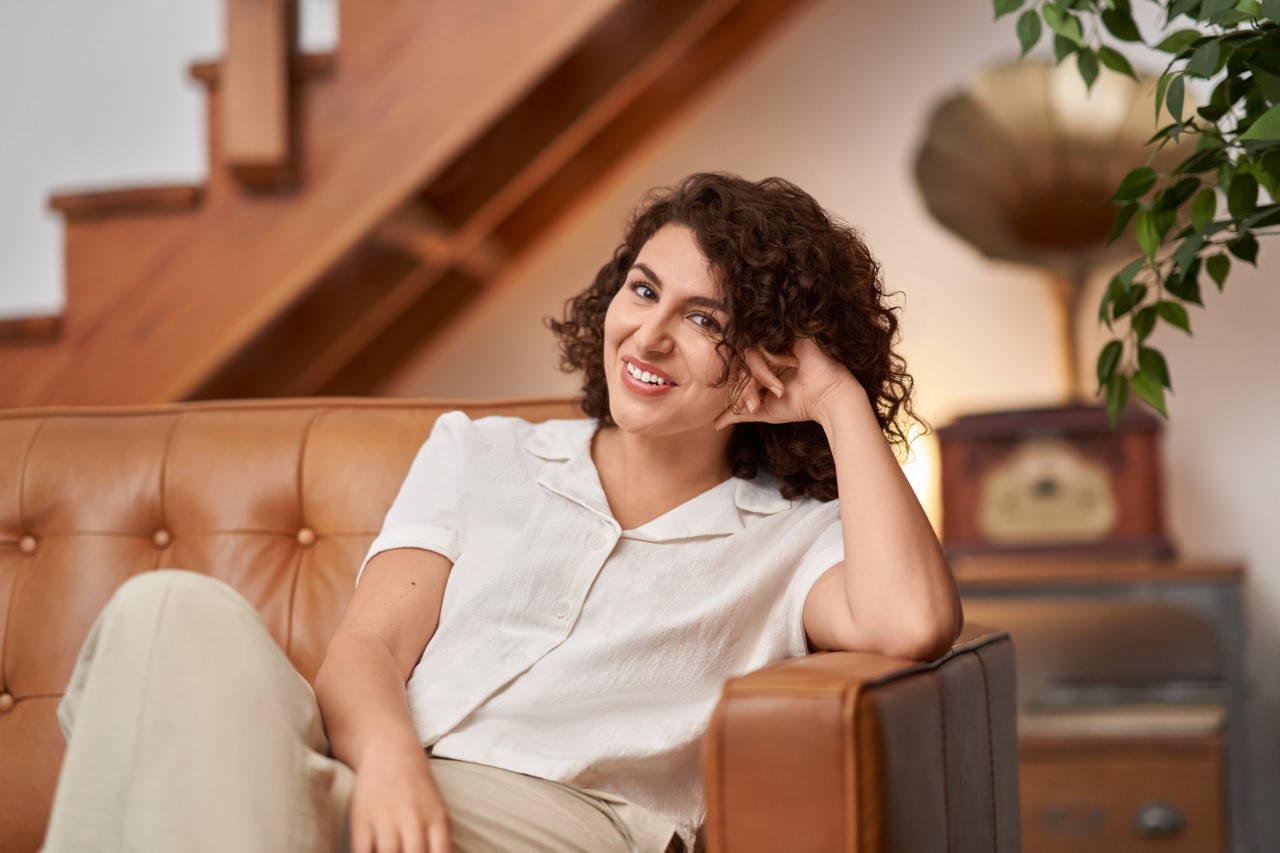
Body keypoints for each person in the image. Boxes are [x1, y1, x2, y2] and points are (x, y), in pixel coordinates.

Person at [41, 173, 960, 853]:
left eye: (705, 320)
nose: (648, 335)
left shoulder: (793, 538)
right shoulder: (479, 453)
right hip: (364, 775)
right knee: (165, 610)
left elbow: (914, 622)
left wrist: (838, 399)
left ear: (767, 355)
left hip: (558, 824)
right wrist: (393, 767)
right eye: (643, 290)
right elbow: (368, 651)